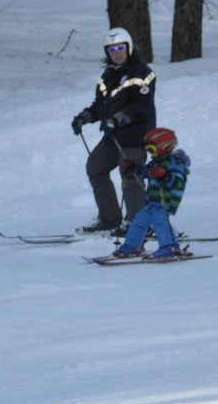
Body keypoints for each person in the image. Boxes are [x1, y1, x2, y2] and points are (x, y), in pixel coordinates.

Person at [69, 27, 158, 234]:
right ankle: (110, 217)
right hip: (114, 136)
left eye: (120, 48)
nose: (116, 53)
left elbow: (141, 108)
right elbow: (101, 105)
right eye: (111, 49)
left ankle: (138, 223)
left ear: (128, 47)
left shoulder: (143, 73)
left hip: (134, 136)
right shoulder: (108, 75)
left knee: (130, 175)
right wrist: (84, 117)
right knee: (95, 167)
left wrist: (116, 120)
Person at [113, 127, 190, 260]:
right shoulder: (156, 162)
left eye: (151, 150)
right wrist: (134, 167)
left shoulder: (175, 163)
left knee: (160, 222)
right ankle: (132, 246)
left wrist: (165, 175)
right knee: (139, 221)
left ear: (164, 147)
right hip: (152, 202)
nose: (150, 153)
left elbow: (178, 181)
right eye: (148, 150)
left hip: (165, 201)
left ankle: (170, 247)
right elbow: (146, 172)